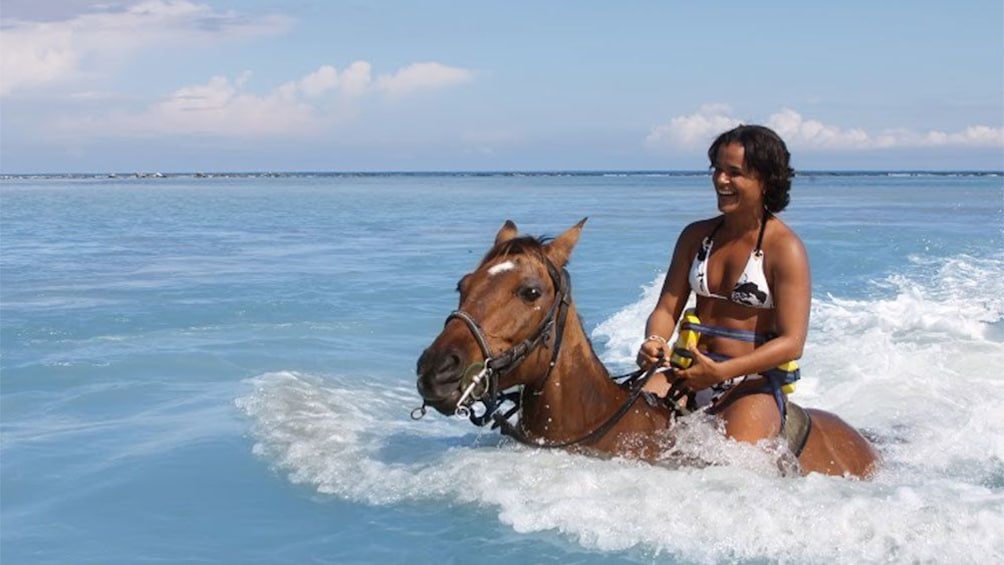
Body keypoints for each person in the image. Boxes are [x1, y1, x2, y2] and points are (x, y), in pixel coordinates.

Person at [638, 124, 809, 446]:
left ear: (766, 180)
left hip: (751, 383)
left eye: (735, 172)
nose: (721, 180)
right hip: (686, 372)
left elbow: (792, 343)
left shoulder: (785, 248)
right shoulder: (695, 236)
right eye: (717, 169)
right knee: (624, 432)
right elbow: (665, 308)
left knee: (728, 474)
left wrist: (722, 373)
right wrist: (655, 340)